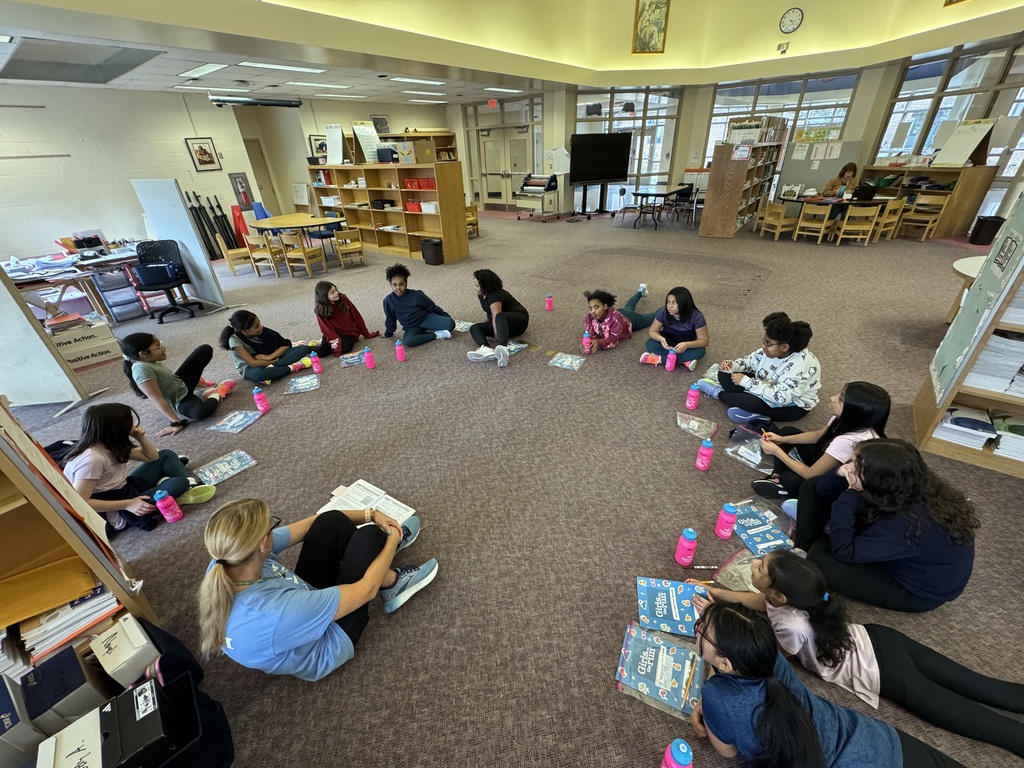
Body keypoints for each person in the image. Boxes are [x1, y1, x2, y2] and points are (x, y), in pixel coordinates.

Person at [692, 552, 1024, 758]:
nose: (753, 563)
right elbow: (759, 604)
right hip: (877, 639)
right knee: (974, 683)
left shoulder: (788, 629)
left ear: (779, 595)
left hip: (881, 671)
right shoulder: (792, 599)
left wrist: (724, 629)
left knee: (961, 712)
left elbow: (759, 654)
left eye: (760, 565)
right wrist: (720, 599)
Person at [692, 601, 966, 768]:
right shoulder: (767, 654)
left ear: (726, 664)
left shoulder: (717, 695)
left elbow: (726, 751)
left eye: (702, 627)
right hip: (875, 739)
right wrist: (722, 623)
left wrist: (711, 714)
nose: (698, 624)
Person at [198, 499, 438, 681]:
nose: (274, 529)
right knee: (368, 539)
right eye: (270, 526)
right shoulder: (275, 612)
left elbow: (314, 522)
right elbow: (366, 590)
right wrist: (392, 537)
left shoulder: (228, 560)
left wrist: (371, 514)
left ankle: (381, 555)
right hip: (328, 641)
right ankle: (392, 581)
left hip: (298, 606)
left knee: (329, 523)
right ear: (262, 543)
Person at [798, 438, 977, 613]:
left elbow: (845, 552)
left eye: (857, 466)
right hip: (899, 551)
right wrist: (840, 472)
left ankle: (807, 547)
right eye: (852, 460)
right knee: (811, 487)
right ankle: (802, 546)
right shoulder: (909, 485)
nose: (849, 468)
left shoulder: (907, 523)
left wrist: (849, 496)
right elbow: (821, 488)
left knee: (821, 559)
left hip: (916, 591)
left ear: (880, 481)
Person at [64, 403, 215, 534]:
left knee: (165, 455)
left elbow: (152, 457)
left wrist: (140, 437)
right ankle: (181, 488)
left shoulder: (108, 443)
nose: (132, 426)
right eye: (128, 423)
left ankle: (186, 486)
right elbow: (80, 503)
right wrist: (128, 504)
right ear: (116, 429)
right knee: (179, 482)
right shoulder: (92, 460)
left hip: (123, 487)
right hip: (117, 508)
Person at [753, 382, 890, 499]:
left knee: (790, 479)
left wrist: (777, 452)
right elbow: (819, 435)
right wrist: (782, 439)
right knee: (787, 432)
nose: (832, 398)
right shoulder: (848, 419)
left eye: (841, 399)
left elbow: (811, 474)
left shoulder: (849, 440)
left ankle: (783, 483)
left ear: (855, 410)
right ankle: (776, 477)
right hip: (828, 457)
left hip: (835, 484)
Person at [698, 311, 820, 423]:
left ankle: (718, 393)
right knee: (724, 373)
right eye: (764, 341)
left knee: (752, 402)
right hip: (764, 385)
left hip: (790, 405)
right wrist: (732, 365)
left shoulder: (800, 366)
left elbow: (782, 398)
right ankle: (751, 409)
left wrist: (747, 382)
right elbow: (749, 362)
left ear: (784, 347)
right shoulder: (769, 351)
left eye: (768, 343)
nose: (763, 346)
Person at [121, 333, 234, 437]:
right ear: (143, 354)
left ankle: (197, 383)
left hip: (179, 383)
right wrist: (176, 422)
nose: (163, 348)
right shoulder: (141, 370)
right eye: (158, 347)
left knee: (204, 350)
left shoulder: (147, 362)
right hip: (179, 399)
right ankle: (215, 393)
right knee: (201, 412)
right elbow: (157, 399)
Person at [219, 310, 319, 383]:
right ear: (245, 331)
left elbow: (284, 345)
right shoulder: (234, 340)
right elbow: (253, 362)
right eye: (256, 326)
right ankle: (291, 367)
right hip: (249, 367)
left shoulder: (260, 330)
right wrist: (273, 361)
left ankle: (274, 369)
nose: (260, 327)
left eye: (259, 324)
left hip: (270, 357)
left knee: (302, 348)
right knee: (260, 375)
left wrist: (269, 357)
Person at [382, 263, 455, 347]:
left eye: (401, 284)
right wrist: (388, 333)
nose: (398, 287)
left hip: (425, 318)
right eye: (394, 285)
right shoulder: (388, 300)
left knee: (450, 324)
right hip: (411, 326)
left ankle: (427, 329)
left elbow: (432, 307)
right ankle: (436, 335)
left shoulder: (416, 295)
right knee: (409, 341)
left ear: (406, 284)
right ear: (390, 285)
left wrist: (446, 316)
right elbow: (390, 318)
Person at [467, 269, 529, 368]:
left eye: (477, 285)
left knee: (499, 317)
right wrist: (488, 325)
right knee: (474, 327)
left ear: (485, 286)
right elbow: (489, 311)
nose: (475, 287)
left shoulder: (494, 295)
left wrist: (497, 336)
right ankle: (485, 349)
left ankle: (503, 348)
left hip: (519, 320)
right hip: (503, 323)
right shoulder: (481, 294)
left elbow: (496, 316)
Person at [642, 286, 708, 368]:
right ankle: (684, 361)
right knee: (650, 344)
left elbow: (704, 341)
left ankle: (660, 359)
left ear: (684, 303)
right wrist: (661, 339)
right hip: (668, 341)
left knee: (700, 351)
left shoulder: (697, 317)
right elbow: (652, 331)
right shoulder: (663, 312)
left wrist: (687, 344)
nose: (670, 306)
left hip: (687, 344)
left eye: (674, 302)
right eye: (668, 302)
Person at [580, 284, 654, 354]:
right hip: (621, 313)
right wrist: (586, 342)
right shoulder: (590, 315)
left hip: (631, 319)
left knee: (652, 317)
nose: (592, 311)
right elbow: (589, 333)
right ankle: (641, 291)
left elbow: (614, 340)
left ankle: (664, 309)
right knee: (629, 306)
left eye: (596, 307)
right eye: (590, 308)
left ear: (605, 306)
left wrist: (599, 343)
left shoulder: (616, 318)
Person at [313, 281, 379, 356]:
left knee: (345, 348)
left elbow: (356, 316)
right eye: (332, 292)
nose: (336, 293)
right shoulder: (320, 311)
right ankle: (303, 348)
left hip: (348, 332)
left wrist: (366, 334)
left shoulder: (343, 299)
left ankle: (327, 343)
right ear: (324, 296)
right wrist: (337, 349)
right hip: (332, 333)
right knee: (322, 352)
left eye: (336, 290)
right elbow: (328, 330)